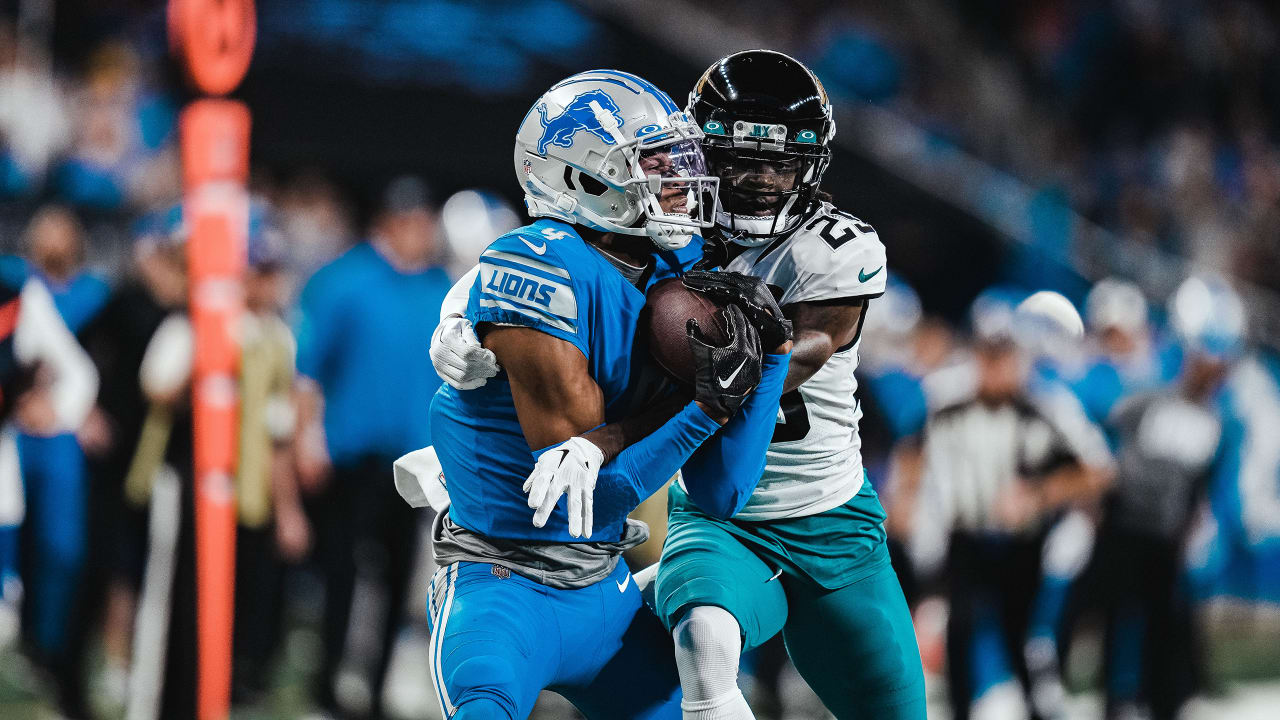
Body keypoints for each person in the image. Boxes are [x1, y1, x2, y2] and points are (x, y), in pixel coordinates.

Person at [432, 51, 928, 720]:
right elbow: (542, 251)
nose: (759, 183)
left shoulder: (811, 245)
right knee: (702, 643)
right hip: (702, 512)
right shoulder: (669, 237)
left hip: (827, 507)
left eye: (783, 163)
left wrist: (657, 415)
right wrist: (466, 310)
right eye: (739, 161)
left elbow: (768, 371)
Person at [424, 69, 791, 719]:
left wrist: (770, 361)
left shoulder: (675, 269)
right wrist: (705, 408)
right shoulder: (533, 267)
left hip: (603, 588)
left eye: (679, 162)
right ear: (583, 177)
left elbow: (723, 493)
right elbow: (583, 499)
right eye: (657, 165)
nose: (681, 184)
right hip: (504, 586)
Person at [903, 289, 1112, 720]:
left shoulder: (1046, 404)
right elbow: (912, 451)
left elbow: (1099, 471)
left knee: (1023, 642)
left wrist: (1039, 494)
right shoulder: (945, 398)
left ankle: (1037, 708)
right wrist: (906, 497)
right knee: (959, 633)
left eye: (1004, 351)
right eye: (988, 351)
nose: (996, 364)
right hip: (964, 539)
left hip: (1022, 546)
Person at [292, 175, 454, 718]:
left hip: (411, 463)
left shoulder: (440, 289)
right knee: (341, 575)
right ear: (387, 221)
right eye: (412, 220)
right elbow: (308, 372)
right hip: (351, 454)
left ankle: (377, 687)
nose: (421, 230)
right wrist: (308, 440)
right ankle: (328, 683)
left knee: (394, 579)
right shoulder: (344, 280)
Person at [1093, 276, 1243, 720]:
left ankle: (1167, 698)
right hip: (1125, 528)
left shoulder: (1219, 418)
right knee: (1120, 621)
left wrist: (1197, 520)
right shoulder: (1148, 395)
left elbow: (1205, 481)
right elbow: (1107, 452)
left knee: (1167, 624)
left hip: (1168, 536)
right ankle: (1117, 699)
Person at [0, 205, 108, 715]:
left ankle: (50, 645)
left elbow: (95, 367)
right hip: (18, 432)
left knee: (62, 548)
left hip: (63, 436)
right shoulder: (16, 288)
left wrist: (71, 409)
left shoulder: (96, 297)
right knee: (15, 538)